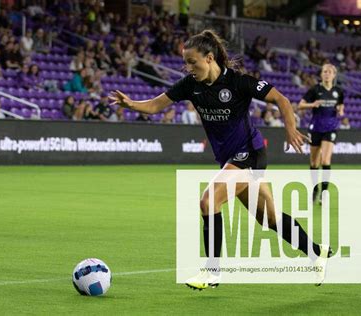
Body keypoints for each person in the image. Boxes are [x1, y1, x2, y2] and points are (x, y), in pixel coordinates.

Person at [110, 29, 332, 289]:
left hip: (250, 153)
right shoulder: (190, 85)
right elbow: (157, 105)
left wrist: (291, 129)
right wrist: (131, 104)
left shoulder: (238, 82)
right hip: (232, 158)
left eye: (192, 62)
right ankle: (318, 252)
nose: (188, 67)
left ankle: (212, 271)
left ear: (209, 58)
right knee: (269, 220)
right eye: (186, 62)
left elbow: (280, 99)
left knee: (208, 200)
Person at [299, 64, 345, 204]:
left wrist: (340, 111)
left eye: (330, 72)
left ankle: (324, 193)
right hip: (316, 128)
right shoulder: (315, 90)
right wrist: (312, 105)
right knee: (314, 163)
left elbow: (341, 105)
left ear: (334, 75)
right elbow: (300, 105)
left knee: (325, 160)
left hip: (330, 128)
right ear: (321, 74)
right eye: (325, 71)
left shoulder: (338, 91)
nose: (327, 74)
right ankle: (315, 190)